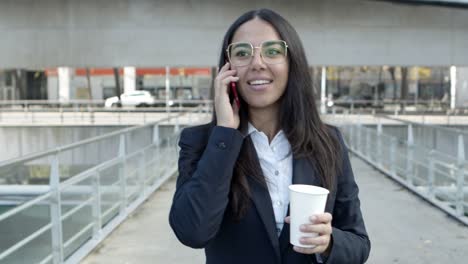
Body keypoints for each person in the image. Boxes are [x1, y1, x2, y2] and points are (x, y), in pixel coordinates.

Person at [169, 8, 370, 264]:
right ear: (228, 71)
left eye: (272, 51)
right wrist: (225, 135)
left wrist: (328, 243)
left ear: (291, 63)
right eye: (242, 53)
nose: (257, 63)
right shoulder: (203, 142)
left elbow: (359, 244)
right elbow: (192, 232)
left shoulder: (327, 142)